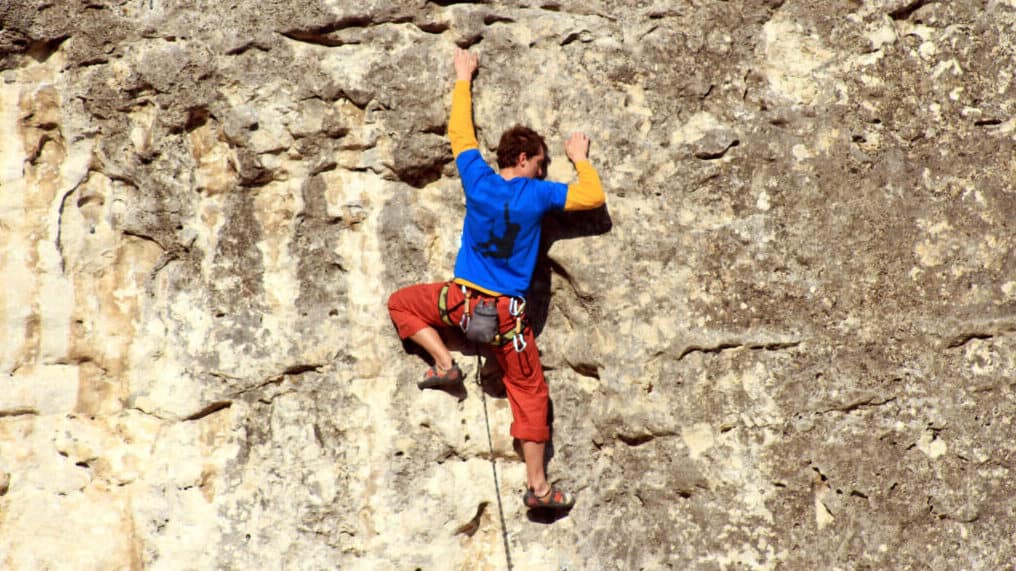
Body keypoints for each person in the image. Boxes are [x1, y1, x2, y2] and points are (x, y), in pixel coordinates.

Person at [387, 48, 605, 510]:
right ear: (524, 159)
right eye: (542, 161)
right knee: (529, 392)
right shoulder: (540, 195)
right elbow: (592, 196)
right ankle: (539, 489)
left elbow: (460, 134)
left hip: (459, 303)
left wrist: (463, 78)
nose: (545, 169)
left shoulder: (478, 180)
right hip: (508, 318)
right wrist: (579, 158)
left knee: (402, 303)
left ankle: (444, 363)